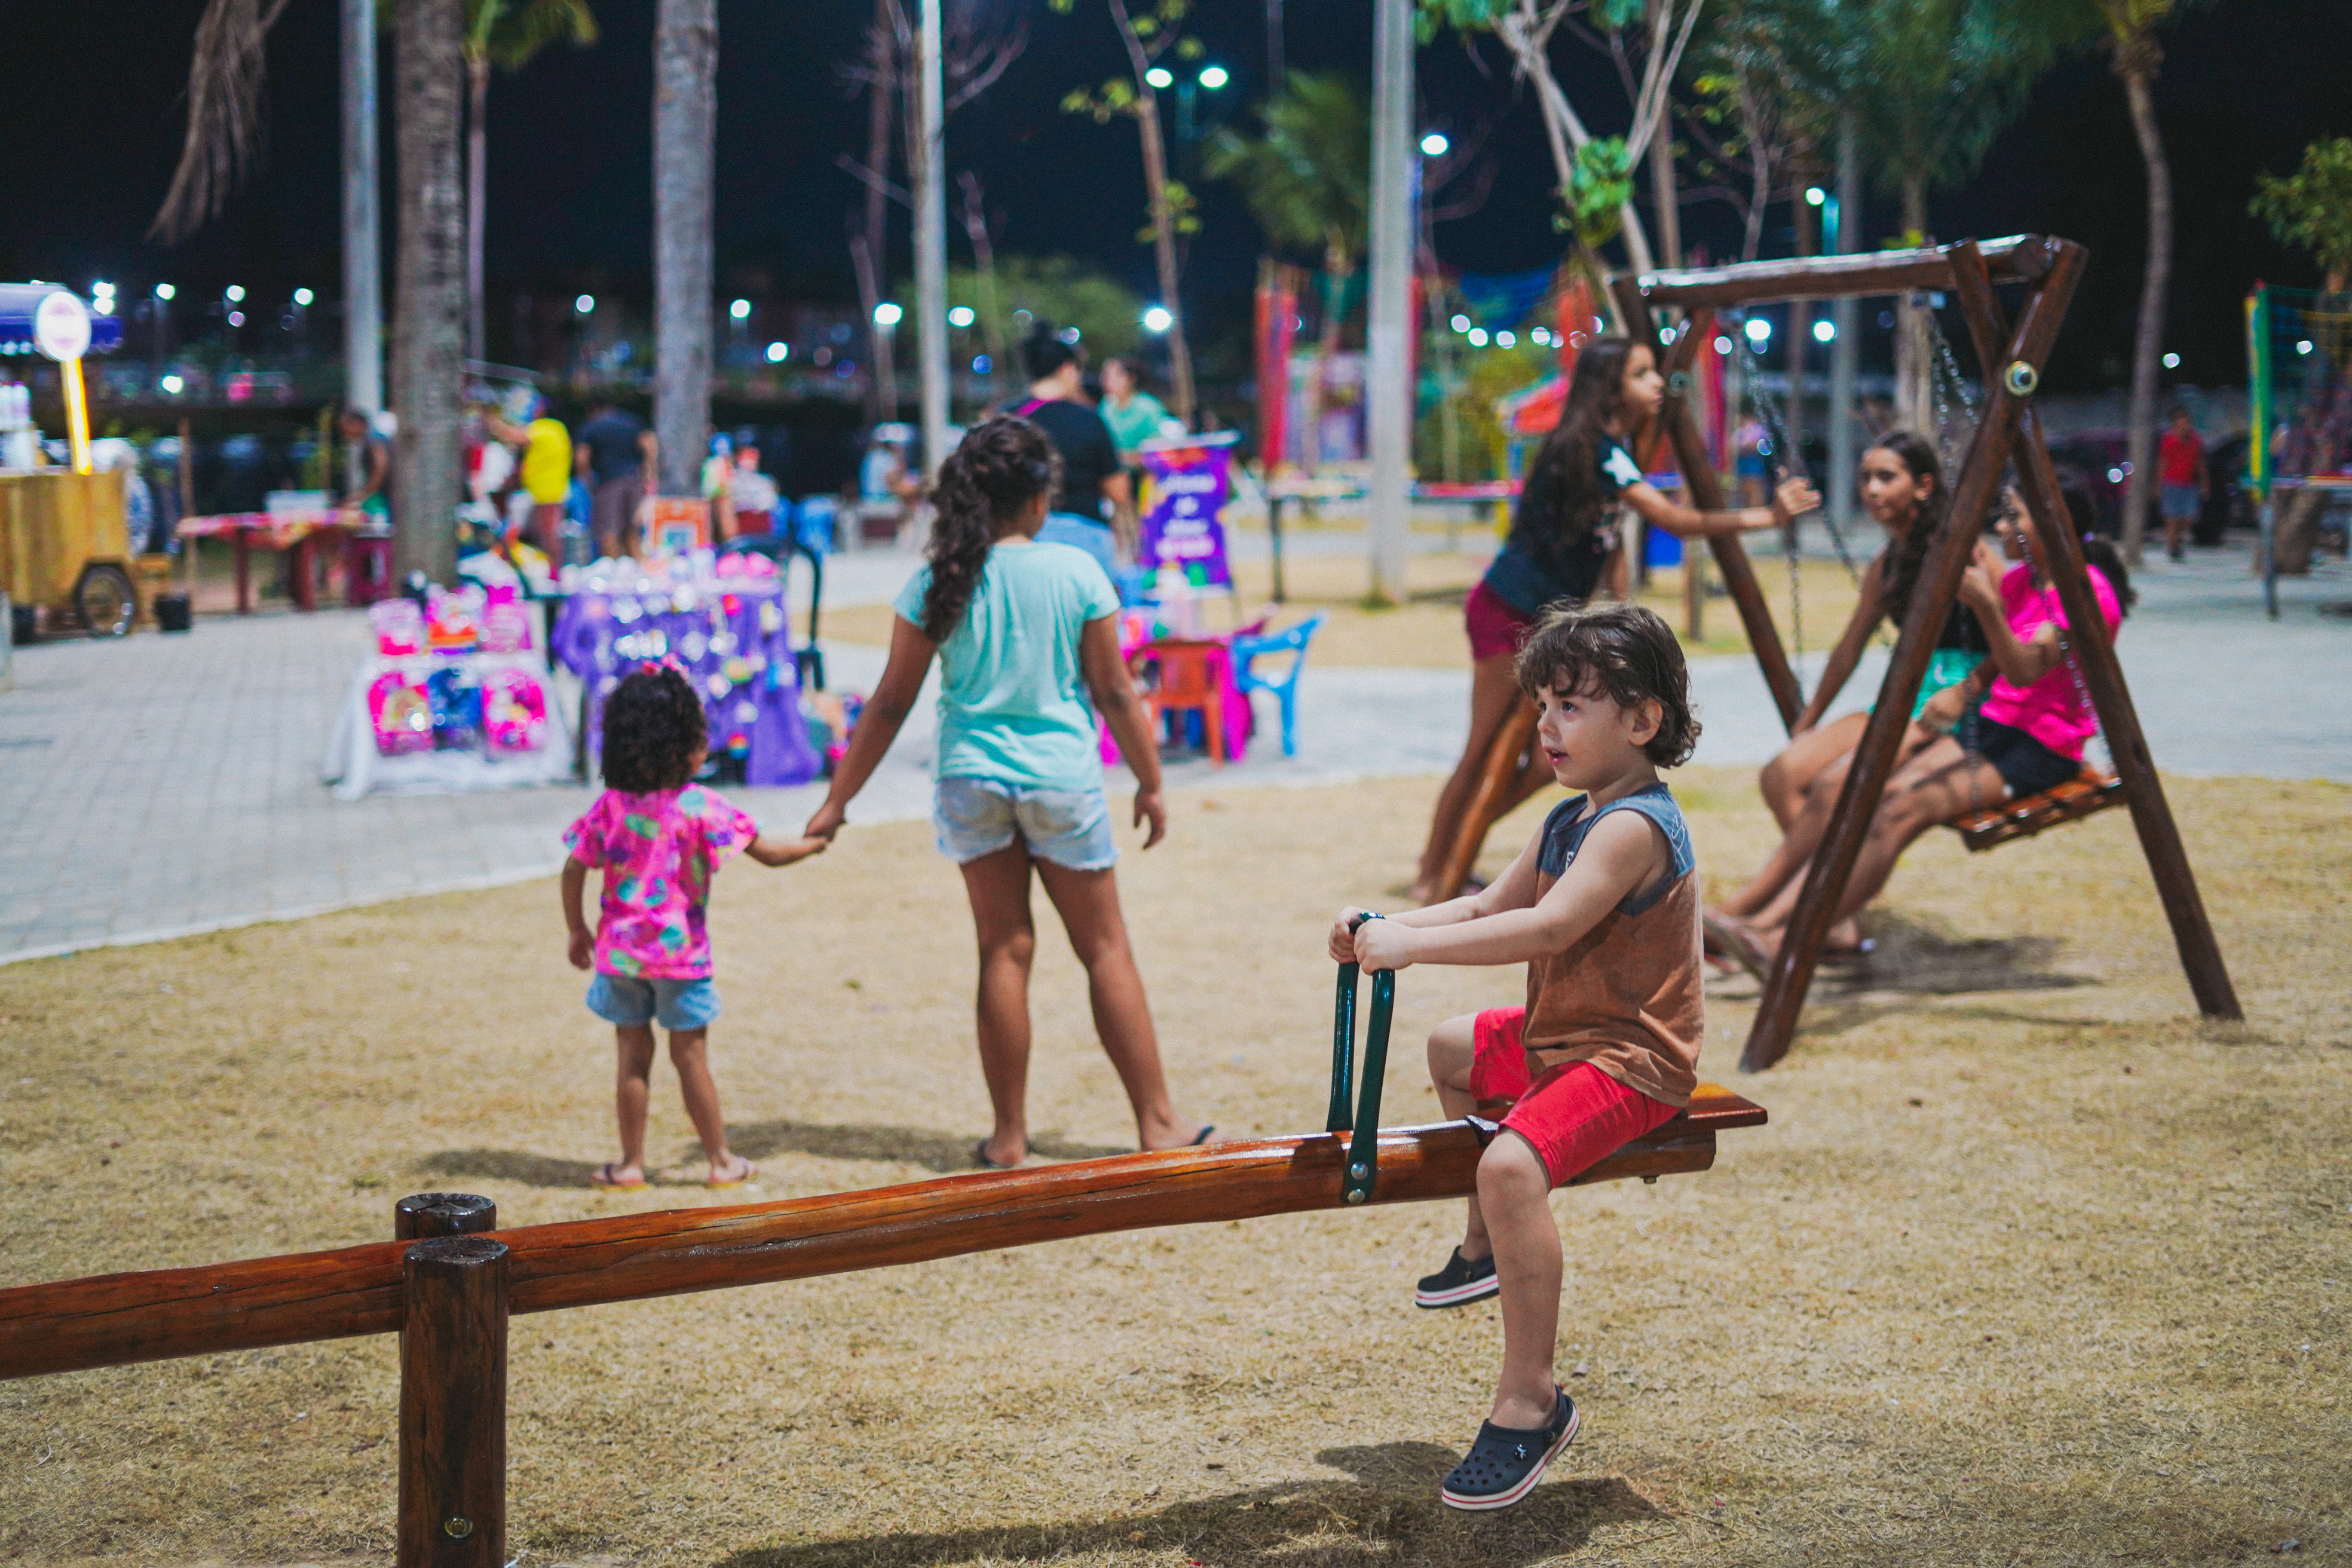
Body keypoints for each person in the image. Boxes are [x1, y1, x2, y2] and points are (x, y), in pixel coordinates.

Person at [1327, 604, 1704, 1511]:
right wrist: (1386, 923)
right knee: (1452, 1046)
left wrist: (1412, 950)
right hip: (1562, 1039)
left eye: (1571, 706)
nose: (1546, 725)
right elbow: (1485, 905)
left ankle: (1532, 1400)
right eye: (1542, 706)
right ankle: (1485, 1244)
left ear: (1642, 720)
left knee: (1508, 1165)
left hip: (1630, 1059)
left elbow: (1547, 927)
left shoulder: (1634, 826)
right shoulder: (1571, 817)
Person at [803, 415, 1208, 1169]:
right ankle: (1158, 1121)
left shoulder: (938, 578)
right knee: (1105, 948)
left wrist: (836, 802)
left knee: (1003, 949)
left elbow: (888, 704)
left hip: (971, 777)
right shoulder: (1076, 572)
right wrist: (1151, 782)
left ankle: (1009, 1136)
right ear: (1038, 498)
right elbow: (1115, 692)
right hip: (1060, 777)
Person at [1409, 338, 1818, 904]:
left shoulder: (1609, 449)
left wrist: (1619, 605)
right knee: (1482, 750)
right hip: (1509, 609)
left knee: (1540, 764)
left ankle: (1457, 849)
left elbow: (1605, 541)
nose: (1658, 384)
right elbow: (1673, 520)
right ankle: (1434, 870)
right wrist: (1767, 516)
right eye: (1642, 374)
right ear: (1611, 387)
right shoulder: (1595, 450)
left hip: (1543, 620)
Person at [1709, 492, 2134, 967]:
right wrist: (1966, 689)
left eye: (2014, 516)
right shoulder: (2023, 581)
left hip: (2041, 747)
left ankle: (1789, 936)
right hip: (1991, 726)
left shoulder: (2085, 592)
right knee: (1874, 794)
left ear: (2055, 521)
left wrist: (1986, 606)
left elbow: (2024, 669)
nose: (2000, 527)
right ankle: (1758, 922)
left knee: (1899, 811)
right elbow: (1998, 663)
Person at [1705, 432, 1984, 957]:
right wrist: (1809, 718)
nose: (1872, 489)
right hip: (1906, 695)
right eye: (1866, 478)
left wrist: (1968, 690)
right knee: (1782, 773)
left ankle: (1753, 911)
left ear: (1924, 486)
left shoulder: (1964, 548)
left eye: (1887, 477)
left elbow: (2014, 632)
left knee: (1837, 786)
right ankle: (1835, 916)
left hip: (1957, 701)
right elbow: (1849, 648)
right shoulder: (1889, 561)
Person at [561, 665, 829, 1191]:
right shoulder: (702, 807)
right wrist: (817, 842)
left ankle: (631, 1165)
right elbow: (771, 854)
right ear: (687, 746)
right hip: (681, 960)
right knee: (690, 1056)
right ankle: (721, 1162)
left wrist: (577, 929)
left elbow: (574, 868)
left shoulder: (610, 808)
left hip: (621, 957)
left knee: (632, 1057)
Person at [1012, 321, 1131, 577]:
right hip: (1085, 537)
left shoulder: (1006, 420)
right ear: (1067, 370)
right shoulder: (1089, 420)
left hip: (1022, 538)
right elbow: (1118, 491)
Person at [575, 399, 657, 559]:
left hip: (608, 483)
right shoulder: (630, 421)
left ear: (593, 408)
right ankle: (637, 565)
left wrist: (586, 478)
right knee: (633, 530)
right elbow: (648, 443)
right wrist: (649, 470)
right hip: (634, 481)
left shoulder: (592, 425)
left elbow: (582, 457)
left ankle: (610, 566)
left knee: (609, 530)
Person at [517, 402, 574, 559]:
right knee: (548, 532)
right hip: (554, 488)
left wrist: (493, 422)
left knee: (548, 532)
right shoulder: (560, 429)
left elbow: (516, 437)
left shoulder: (544, 427)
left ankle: (553, 568)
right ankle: (552, 567)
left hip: (546, 490)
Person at [2157, 406, 2207, 562]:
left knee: (2189, 518)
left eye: (2187, 424)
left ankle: (2177, 541)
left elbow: (2200, 463)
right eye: (2181, 425)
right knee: (2172, 520)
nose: (2185, 428)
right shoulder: (2168, 440)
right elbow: (2162, 463)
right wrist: (2158, 485)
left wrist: (2204, 483)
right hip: (2171, 484)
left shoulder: (2196, 440)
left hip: (2189, 485)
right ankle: (2172, 548)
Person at [336, 405, 393, 526]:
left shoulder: (373, 438)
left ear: (358, 423)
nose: (344, 432)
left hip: (388, 495)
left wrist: (364, 494)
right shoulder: (371, 437)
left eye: (345, 426)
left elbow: (380, 465)